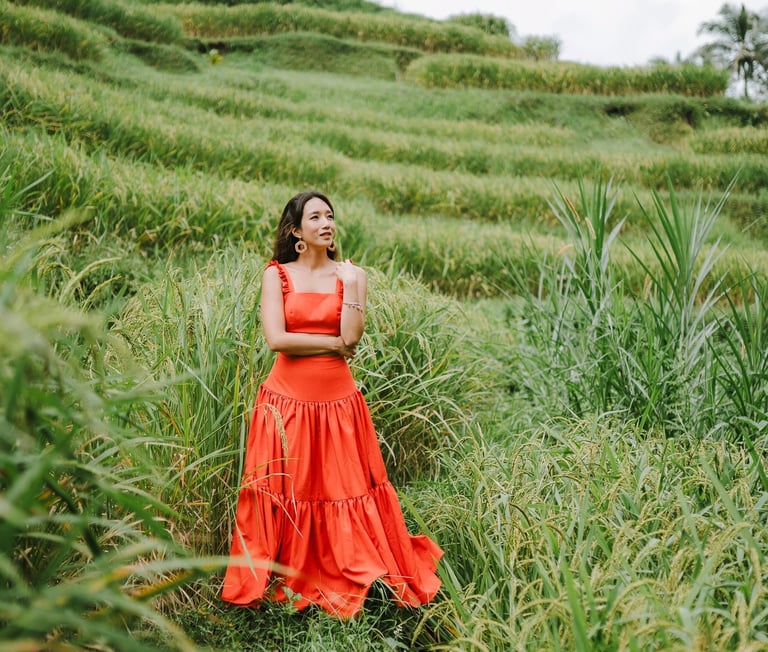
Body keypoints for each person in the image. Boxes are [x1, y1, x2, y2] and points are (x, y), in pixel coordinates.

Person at [221, 190, 443, 618]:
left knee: (342, 489)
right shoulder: (277, 275)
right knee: (292, 488)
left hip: (339, 401)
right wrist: (330, 344)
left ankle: (343, 571)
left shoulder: (350, 275)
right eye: (315, 217)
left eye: (330, 215)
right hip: (286, 400)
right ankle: (282, 572)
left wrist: (354, 285)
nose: (326, 223)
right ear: (295, 230)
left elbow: (352, 338)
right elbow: (277, 339)